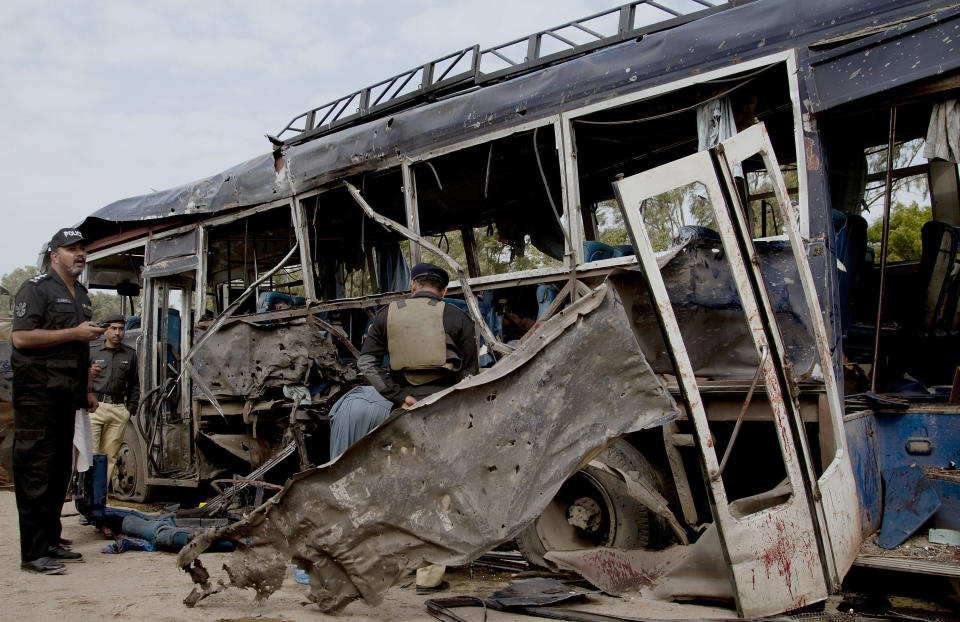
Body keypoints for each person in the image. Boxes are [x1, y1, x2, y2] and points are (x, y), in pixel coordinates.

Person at [347, 261, 478, 595]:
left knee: (403, 487)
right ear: (443, 290)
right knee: (441, 493)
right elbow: (471, 376)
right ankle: (428, 578)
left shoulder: (386, 315)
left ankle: (393, 566)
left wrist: (398, 395)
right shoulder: (457, 317)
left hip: (403, 414)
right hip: (444, 415)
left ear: (413, 287)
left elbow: (366, 363)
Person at [11, 227, 105, 574]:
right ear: (54, 256)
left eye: (82, 249)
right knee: (36, 470)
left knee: (57, 471)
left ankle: (51, 541)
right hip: (38, 394)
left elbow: (78, 348)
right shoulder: (35, 290)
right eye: (71, 249)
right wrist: (74, 332)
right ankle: (33, 554)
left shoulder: (81, 294)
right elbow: (21, 338)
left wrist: (87, 388)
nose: (80, 254)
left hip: (67, 395)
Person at [88, 314, 138, 485]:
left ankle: (99, 498)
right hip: (95, 407)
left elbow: (134, 383)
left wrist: (129, 409)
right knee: (91, 454)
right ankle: (86, 497)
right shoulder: (93, 351)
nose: (118, 333)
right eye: (113, 328)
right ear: (106, 330)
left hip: (118, 409)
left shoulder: (130, 355)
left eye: (121, 329)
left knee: (110, 456)